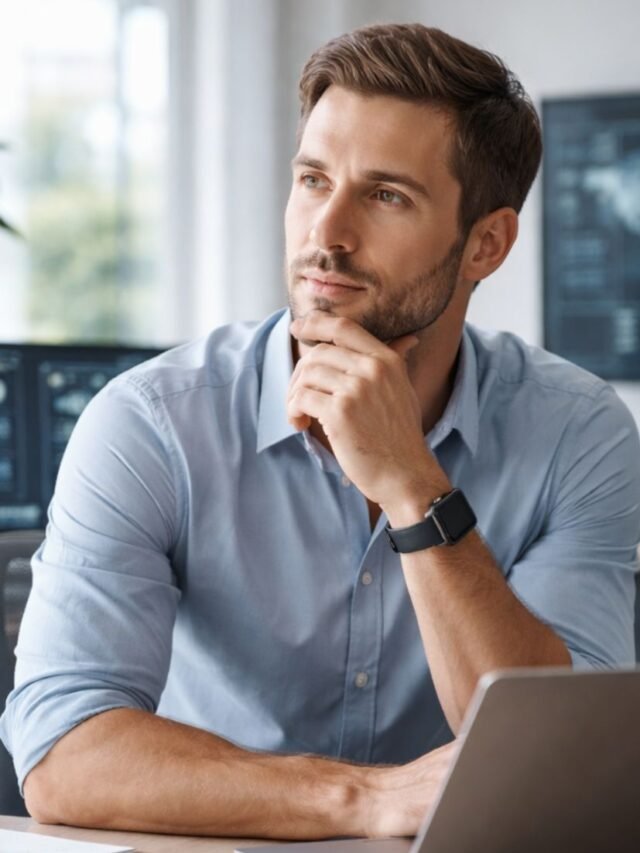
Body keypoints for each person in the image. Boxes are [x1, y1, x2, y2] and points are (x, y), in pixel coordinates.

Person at [2, 22, 639, 840]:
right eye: (312, 179)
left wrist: (415, 486)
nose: (324, 234)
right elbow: (61, 752)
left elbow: (567, 764)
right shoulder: (149, 424)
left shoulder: (577, 432)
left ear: (487, 242)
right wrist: (364, 798)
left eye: (386, 195)